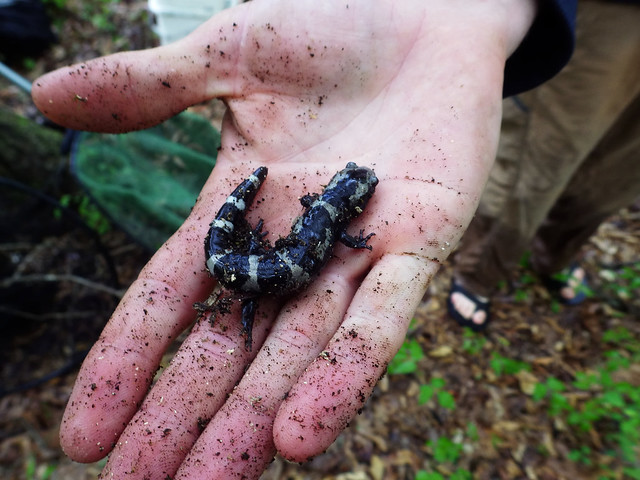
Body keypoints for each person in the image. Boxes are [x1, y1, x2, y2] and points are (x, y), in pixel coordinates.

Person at [31, 1, 577, 478]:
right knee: (259, 270)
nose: (353, 187)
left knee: (266, 265)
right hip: (245, 266)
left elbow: (329, 230)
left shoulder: (325, 210)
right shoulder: (335, 220)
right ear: (348, 200)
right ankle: (241, 260)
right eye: (352, 185)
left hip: (252, 264)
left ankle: (243, 258)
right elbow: (345, 239)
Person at [448, 0, 640, 332]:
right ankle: (481, 269)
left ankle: (558, 250)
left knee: (619, 166)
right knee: (547, 149)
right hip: (609, 10)